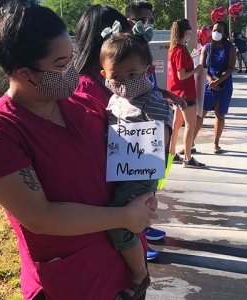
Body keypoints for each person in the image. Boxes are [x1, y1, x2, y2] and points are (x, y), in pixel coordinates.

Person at [0, 1, 158, 299]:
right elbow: (40, 217)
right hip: (73, 283)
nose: (72, 70)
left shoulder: (84, 101)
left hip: (125, 269)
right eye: (61, 65)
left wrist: (144, 195)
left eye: (72, 59)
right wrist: (125, 217)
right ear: (25, 72)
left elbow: (128, 160)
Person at [99, 22, 173, 299]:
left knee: (121, 225)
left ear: (148, 71)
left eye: (133, 74)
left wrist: (150, 185)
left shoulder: (152, 100)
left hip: (140, 172)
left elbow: (159, 140)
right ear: (104, 74)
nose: (124, 82)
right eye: (116, 75)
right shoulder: (114, 98)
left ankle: (140, 274)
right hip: (119, 168)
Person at [125, 1, 187, 250]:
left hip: (152, 129)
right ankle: (138, 241)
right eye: (144, 19)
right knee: (135, 189)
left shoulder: (142, 48)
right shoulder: (123, 51)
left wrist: (168, 95)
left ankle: (144, 229)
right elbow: (124, 89)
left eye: (151, 20)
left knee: (150, 186)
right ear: (130, 21)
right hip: (134, 133)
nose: (148, 24)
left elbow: (147, 85)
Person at [193, 21, 236, 154]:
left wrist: (218, 81)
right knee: (200, 115)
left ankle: (216, 143)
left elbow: (230, 68)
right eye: (215, 29)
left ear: (224, 33)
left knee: (220, 115)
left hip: (224, 84)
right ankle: (190, 141)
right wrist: (210, 80)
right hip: (207, 84)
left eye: (220, 30)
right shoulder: (206, 47)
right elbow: (202, 67)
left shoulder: (231, 48)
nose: (216, 32)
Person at [167, 18, 205, 168]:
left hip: (176, 93)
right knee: (190, 125)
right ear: (185, 31)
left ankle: (172, 152)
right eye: (189, 29)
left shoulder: (174, 49)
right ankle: (188, 158)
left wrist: (190, 59)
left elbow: (178, 70)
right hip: (186, 93)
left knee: (176, 124)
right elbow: (182, 75)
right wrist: (197, 69)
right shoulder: (182, 50)